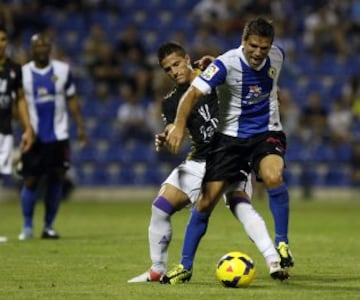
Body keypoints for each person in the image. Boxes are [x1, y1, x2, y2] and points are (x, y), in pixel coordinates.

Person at [127, 42, 288, 283]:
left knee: (238, 203)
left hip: (232, 151)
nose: (174, 72)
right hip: (199, 159)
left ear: (187, 59)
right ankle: (157, 268)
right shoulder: (170, 101)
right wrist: (168, 133)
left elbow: (241, 74)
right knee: (160, 207)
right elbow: (174, 125)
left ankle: (273, 258)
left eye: (177, 64)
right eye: (168, 69)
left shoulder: (213, 75)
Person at [163, 17, 294, 284]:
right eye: (253, 46)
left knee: (273, 176)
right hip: (230, 141)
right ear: (243, 41)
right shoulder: (226, 64)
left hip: (266, 134)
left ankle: (282, 244)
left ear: (271, 46)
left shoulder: (278, 56)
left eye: (264, 47)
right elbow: (191, 95)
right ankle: (185, 265)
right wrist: (178, 125)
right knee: (206, 202)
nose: (258, 52)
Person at [18, 33, 88, 240]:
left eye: (45, 45)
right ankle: (27, 227)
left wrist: (81, 127)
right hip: (34, 136)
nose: (41, 48)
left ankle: (48, 226)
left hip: (59, 135)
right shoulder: (23, 74)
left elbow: (72, 99)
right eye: (37, 45)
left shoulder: (63, 71)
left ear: (50, 48)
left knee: (56, 179)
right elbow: (18, 103)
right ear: (31, 49)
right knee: (30, 179)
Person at [0, 25, 34, 180]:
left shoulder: (14, 69)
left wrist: (27, 129)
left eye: (3, 39)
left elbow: (20, 99)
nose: (0, 43)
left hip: (4, 131)